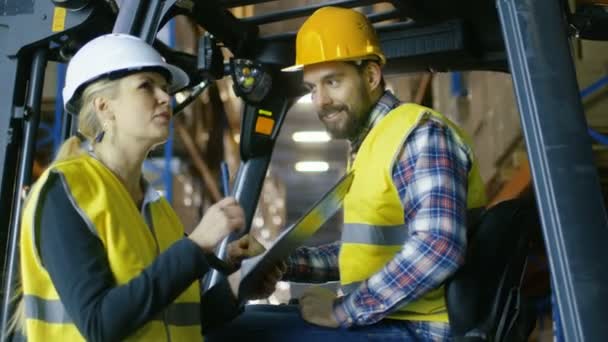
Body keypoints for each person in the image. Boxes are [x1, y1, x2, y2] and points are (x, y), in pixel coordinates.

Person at [206, 6, 487, 342]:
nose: (320, 101)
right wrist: (279, 262)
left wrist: (343, 311)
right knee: (240, 322)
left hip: (419, 330)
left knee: (232, 338)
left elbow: (439, 246)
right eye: (312, 88)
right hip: (389, 320)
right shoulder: (372, 144)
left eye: (333, 82)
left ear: (370, 76)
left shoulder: (419, 134)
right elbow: (364, 252)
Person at [12, 33, 279, 342]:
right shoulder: (66, 193)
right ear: (104, 107)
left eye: (164, 88)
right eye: (146, 86)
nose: (165, 97)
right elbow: (100, 325)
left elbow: (183, 320)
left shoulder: (158, 210)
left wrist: (240, 285)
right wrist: (196, 246)